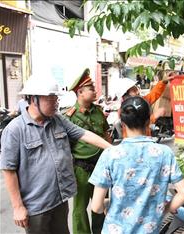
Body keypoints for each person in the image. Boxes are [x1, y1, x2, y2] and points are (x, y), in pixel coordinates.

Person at [0, 74, 112, 234]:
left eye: (56, 98)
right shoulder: (15, 130)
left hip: (59, 200)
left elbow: (84, 134)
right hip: (36, 207)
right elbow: (8, 170)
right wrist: (18, 207)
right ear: (34, 99)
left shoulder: (58, 120)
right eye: (51, 98)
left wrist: (113, 149)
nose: (56, 102)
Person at [89, 96, 184, 233]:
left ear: (122, 124)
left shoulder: (110, 155)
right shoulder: (164, 153)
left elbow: (96, 207)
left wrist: (107, 207)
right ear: (148, 121)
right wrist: (163, 211)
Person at [65, 68, 110, 234]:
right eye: (91, 88)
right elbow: (66, 148)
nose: (95, 90)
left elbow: (106, 135)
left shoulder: (98, 111)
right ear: (80, 92)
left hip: (101, 166)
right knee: (80, 209)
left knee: (101, 205)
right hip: (81, 169)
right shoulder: (70, 117)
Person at [114, 73, 175, 138]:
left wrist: (163, 81)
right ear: (126, 95)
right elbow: (137, 125)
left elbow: (154, 94)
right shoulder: (125, 110)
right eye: (134, 90)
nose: (137, 92)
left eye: (136, 89)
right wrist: (155, 116)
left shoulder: (142, 101)